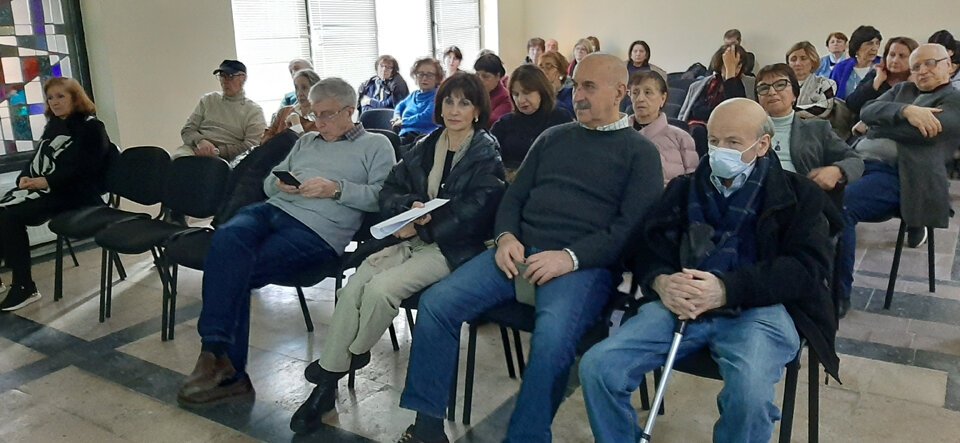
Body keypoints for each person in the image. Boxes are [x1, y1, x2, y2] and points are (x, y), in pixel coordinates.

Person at [395, 53, 663, 443]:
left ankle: (527, 436)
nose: (578, 95)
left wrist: (569, 258)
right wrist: (506, 237)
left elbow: (629, 230)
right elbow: (514, 197)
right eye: (576, 85)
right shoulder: (554, 137)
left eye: (589, 87)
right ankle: (428, 428)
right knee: (438, 304)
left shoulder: (640, 153)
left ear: (620, 91)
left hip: (581, 266)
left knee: (552, 340)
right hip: (518, 252)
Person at [579, 98, 840, 443]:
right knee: (598, 367)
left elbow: (807, 268)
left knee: (749, 397)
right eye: (714, 141)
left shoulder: (797, 195)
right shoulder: (684, 188)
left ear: (762, 144)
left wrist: (726, 289)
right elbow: (645, 247)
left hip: (759, 309)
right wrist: (661, 281)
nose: (719, 151)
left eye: (733, 142)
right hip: (682, 303)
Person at [289, 73, 506, 433]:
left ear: (477, 110)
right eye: (449, 101)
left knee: (380, 289)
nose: (455, 110)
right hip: (410, 238)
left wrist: (423, 226)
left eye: (464, 103)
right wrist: (409, 206)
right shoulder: (426, 144)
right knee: (354, 287)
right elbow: (389, 189)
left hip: (452, 247)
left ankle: (341, 363)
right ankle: (328, 384)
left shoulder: (486, 152)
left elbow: (477, 212)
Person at [176, 77, 396, 406]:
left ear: (349, 111)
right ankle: (217, 357)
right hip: (274, 210)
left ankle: (222, 364)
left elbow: (384, 198)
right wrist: (280, 186)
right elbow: (269, 182)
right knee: (227, 236)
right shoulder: (306, 141)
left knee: (236, 269)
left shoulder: (376, 146)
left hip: (317, 231)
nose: (319, 122)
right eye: (314, 114)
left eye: (327, 114)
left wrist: (336, 189)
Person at [839, 44, 960, 317]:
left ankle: (837, 294)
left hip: (901, 175)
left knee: (840, 207)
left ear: (949, 66)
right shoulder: (904, 90)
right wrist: (906, 111)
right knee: (809, 196)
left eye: (930, 63)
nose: (922, 71)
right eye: (916, 67)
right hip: (856, 161)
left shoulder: (954, 100)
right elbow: (867, 109)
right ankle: (809, 277)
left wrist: (879, 123)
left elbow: (921, 133)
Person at [0, 77, 112, 311]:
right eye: (50, 97)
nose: (55, 102)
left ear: (75, 98)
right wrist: (24, 177)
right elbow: (38, 157)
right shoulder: (54, 125)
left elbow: (85, 169)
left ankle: (24, 286)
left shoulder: (92, 127)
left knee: (10, 215)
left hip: (78, 194)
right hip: (52, 190)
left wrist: (46, 181)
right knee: (2, 210)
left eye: (61, 96)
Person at [755, 64, 863, 186]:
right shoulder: (748, 129)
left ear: (795, 94)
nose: (771, 92)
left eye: (780, 85)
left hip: (800, 192)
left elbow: (855, 160)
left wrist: (837, 171)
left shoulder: (818, 129)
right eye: (763, 88)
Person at [491, 64, 573, 179]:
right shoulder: (505, 123)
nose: (521, 100)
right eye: (515, 94)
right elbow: (490, 157)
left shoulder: (561, 119)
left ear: (542, 91)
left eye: (527, 92)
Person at [176, 60, 267, 163]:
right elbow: (187, 130)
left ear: (243, 78)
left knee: (211, 167)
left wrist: (217, 151)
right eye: (222, 76)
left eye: (230, 76)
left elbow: (251, 146)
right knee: (177, 159)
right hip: (195, 149)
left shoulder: (254, 111)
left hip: (226, 159)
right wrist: (200, 141)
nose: (225, 81)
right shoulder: (208, 100)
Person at [627, 71, 698, 186]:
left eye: (648, 92)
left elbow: (692, 182)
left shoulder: (681, 138)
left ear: (663, 98)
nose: (640, 98)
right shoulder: (618, 135)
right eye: (635, 93)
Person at [679, 45, 756, 123]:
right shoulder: (705, 84)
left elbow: (734, 111)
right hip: (701, 125)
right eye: (729, 65)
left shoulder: (748, 84)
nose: (734, 70)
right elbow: (697, 111)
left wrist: (730, 75)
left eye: (738, 66)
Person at [846, 37, 918, 117]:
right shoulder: (876, 74)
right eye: (892, 55)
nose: (895, 60)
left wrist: (911, 86)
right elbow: (852, 104)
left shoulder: (919, 80)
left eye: (902, 56)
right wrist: (876, 83)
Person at [393, 57, 445, 145]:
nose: (424, 78)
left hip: (424, 138)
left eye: (429, 75)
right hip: (404, 135)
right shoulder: (414, 94)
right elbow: (399, 106)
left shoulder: (438, 96)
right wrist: (397, 117)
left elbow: (427, 117)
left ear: (437, 78)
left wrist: (403, 122)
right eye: (420, 74)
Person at [262, 69, 321, 144]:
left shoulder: (321, 119)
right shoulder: (284, 111)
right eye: (296, 88)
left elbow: (308, 147)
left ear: (316, 90)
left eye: (304, 88)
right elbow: (265, 140)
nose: (299, 93)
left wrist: (296, 126)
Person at [786, 41, 838, 119]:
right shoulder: (781, 85)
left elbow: (823, 109)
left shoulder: (826, 84)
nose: (798, 63)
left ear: (813, 61)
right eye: (793, 59)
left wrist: (786, 112)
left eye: (803, 58)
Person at [830, 26, 882, 100]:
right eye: (869, 44)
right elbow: (831, 98)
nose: (875, 48)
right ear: (857, 47)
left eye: (877, 43)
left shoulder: (883, 67)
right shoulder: (840, 69)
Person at [475, 53, 513, 127]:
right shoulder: (473, 93)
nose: (480, 80)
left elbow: (491, 121)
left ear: (498, 76)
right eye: (477, 75)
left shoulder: (506, 98)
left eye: (485, 76)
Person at [539, 51, 574, 116]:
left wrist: (551, 95)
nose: (543, 71)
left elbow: (568, 114)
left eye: (549, 66)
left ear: (561, 71)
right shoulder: (537, 94)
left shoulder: (570, 93)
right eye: (540, 67)